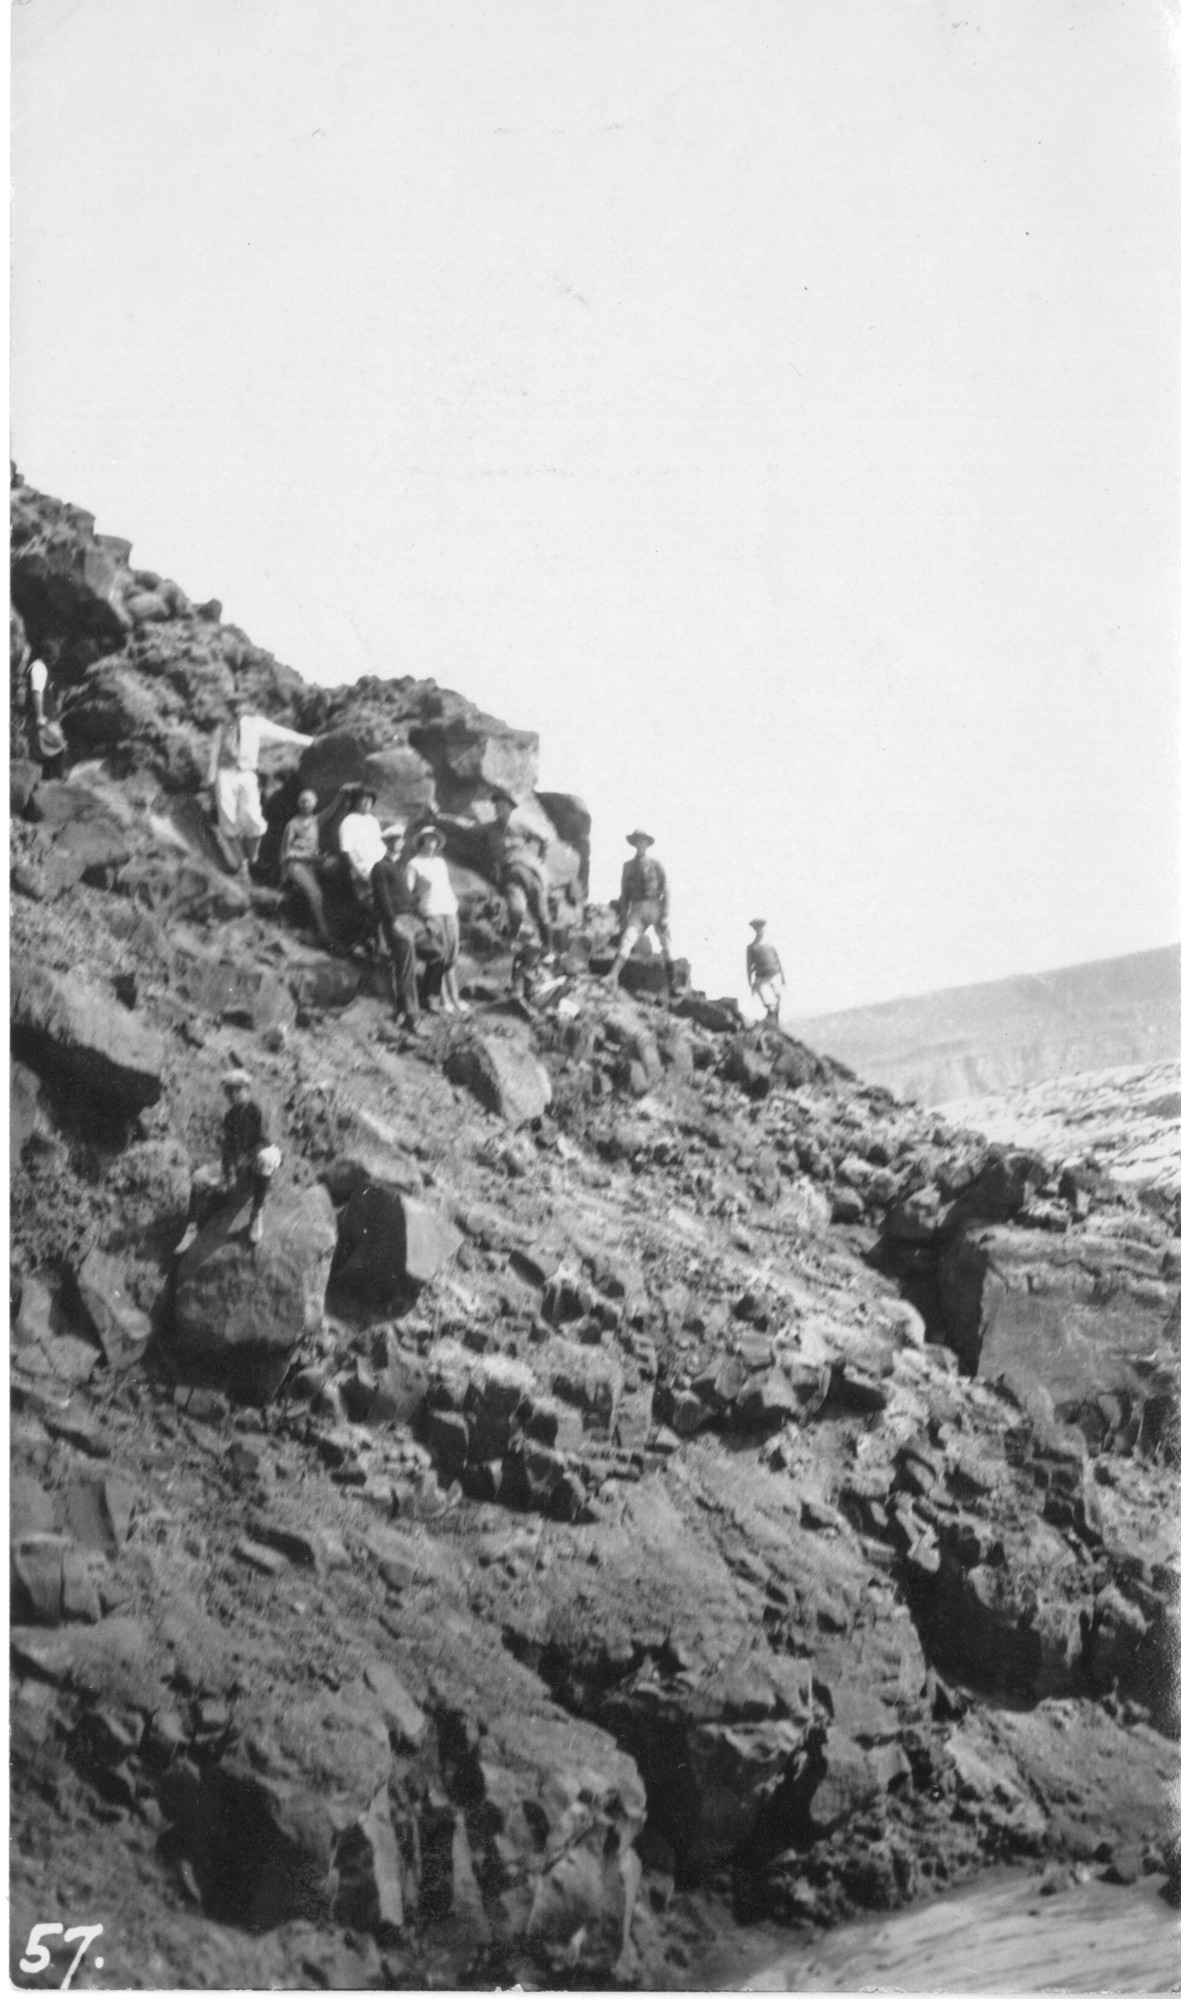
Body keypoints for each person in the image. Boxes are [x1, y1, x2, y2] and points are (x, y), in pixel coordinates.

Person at [337, 788, 422, 1032]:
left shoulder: (373, 822)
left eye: (369, 801)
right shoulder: (349, 822)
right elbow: (347, 850)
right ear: (355, 803)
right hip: (363, 868)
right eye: (362, 801)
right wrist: (357, 873)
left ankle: (383, 944)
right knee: (376, 908)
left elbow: (379, 848)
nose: (365, 805)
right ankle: (374, 943)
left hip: (379, 867)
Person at [174, 1069, 282, 1254]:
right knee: (198, 1178)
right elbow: (228, 1148)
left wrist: (242, 1164)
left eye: (238, 1089)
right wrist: (229, 1172)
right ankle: (191, 1229)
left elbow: (266, 1141)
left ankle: (256, 1214)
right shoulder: (231, 1116)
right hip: (241, 1162)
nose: (233, 1094)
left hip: (263, 1155)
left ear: (247, 1089)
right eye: (229, 1091)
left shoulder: (259, 1109)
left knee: (266, 1157)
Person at [205, 694, 314, 875]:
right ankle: (243, 867)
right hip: (226, 775)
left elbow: (285, 735)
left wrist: (311, 742)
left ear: (246, 706)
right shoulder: (222, 728)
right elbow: (213, 758)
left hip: (247, 773)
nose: (236, 709)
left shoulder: (256, 724)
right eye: (232, 706)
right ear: (227, 708)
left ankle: (253, 860)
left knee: (254, 818)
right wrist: (210, 783)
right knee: (229, 820)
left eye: (240, 705)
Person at [404, 822, 466, 1013]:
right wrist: (422, 913)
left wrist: (453, 905)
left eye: (434, 839)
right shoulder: (414, 864)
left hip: (448, 909)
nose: (431, 842)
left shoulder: (440, 862)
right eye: (428, 839)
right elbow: (408, 892)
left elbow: (445, 886)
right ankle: (443, 999)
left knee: (453, 955)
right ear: (421, 841)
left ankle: (456, 998)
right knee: (441, 954)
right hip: (431, 911)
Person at [483, 792, 553, 953]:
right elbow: (469, 831)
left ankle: (547, 949)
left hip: (531, 872)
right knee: (516, 909)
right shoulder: (488, 829)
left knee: (542, 913)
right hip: (510, 874)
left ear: (510, 808)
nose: (499, 809)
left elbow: (545, 840)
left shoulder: (520, 826)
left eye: (503, 806)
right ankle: (509, 941)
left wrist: (540, 860)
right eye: (497, 806)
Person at [605, 830, 672, 992]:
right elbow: (624, 894)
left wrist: (665, 915)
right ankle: (612, 976)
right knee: (627, 940)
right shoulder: (627, 866)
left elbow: (666, 890)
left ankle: (672, 985)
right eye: (638, 841)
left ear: (648, 844)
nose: (640, 844)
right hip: (637, 909)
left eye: (643, 841)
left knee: (666, 945)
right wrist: (623, 916)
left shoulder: (656, 865)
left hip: (655, 906)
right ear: (634, 844)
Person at [278, 788, 333, 948]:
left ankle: (313, 929)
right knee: (315, 893)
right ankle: (324, 932)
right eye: (302, 801)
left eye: (309, 801)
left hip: (310, 865)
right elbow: (285, 850)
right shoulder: (293, 824)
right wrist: (283, 872)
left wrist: (342, 795)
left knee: (322, 891)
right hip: (295, 865)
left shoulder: (316, 820)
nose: (305, 804)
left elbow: (330, 811)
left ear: (314, 803)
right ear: (298, 803)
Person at [26, 655, 66, 778]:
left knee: (52, 755)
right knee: (55, 753)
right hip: (44, 721)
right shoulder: (39, 667)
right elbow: (37, 692)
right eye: (54, 657)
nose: (55, 660)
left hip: (47, 719)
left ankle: (51, 785)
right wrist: (39, 716)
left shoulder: (42, 667)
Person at [747, 919, 785, 1022]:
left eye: (762, 929)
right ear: (755, 930)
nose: (760, 931)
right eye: (758, 929)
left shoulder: (770, 945)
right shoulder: (752, 947)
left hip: (774, 975)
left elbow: (778, 962)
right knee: (766, 999)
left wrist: (783, 978)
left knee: (778, 998)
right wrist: (750, 982)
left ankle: (775, 1020)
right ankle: (770, 1015)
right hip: (761, 977)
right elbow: (749, 965)